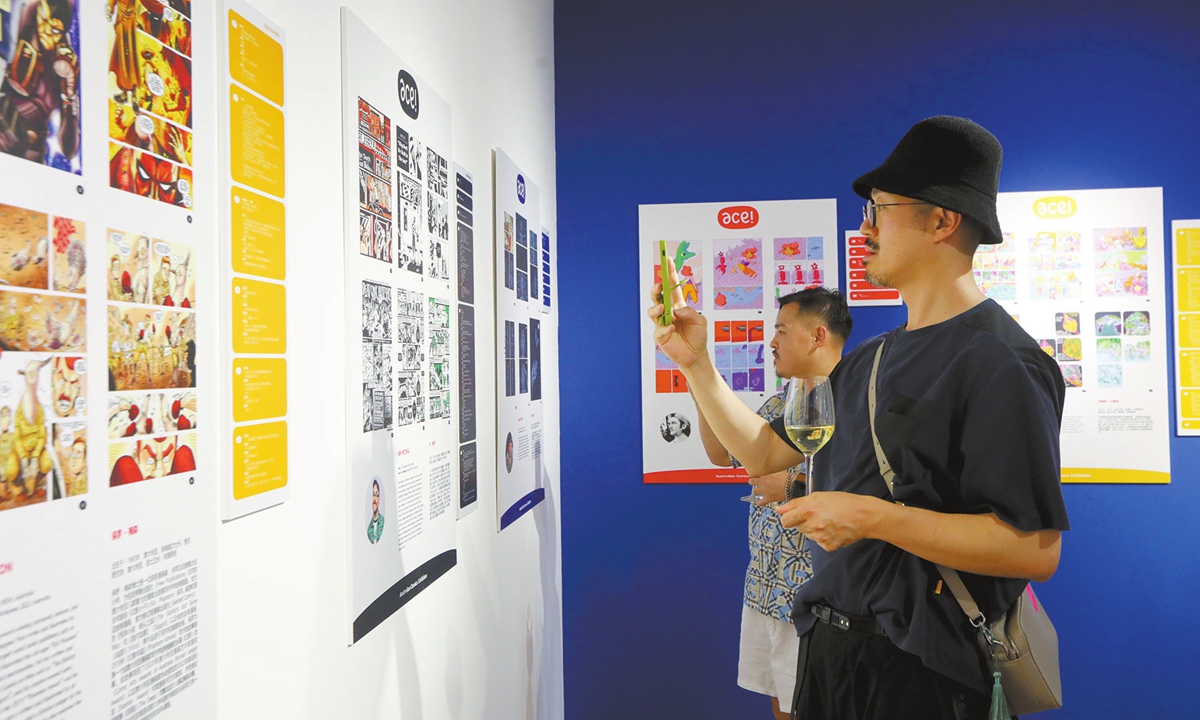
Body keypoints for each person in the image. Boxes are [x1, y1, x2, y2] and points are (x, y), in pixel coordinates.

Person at [649, 116, 1068, 719]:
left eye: (879, 210)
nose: (864, 228)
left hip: (922, 671)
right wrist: (697, 366)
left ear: (942, 221)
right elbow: (763, 452)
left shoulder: (1003, 363)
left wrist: (872, 517)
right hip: (830, 653)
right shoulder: (870, 358)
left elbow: (1033, 550)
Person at [694, 287, 850, 720]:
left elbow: (866, 493)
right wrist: (696, 378)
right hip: (766, 589)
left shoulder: (853, 402)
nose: (772, 342)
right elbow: (722, 453)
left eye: (781, 331)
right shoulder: (783, 401)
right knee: (781, 705)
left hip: (815, 600)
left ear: (817, 336)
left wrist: (792, 488)